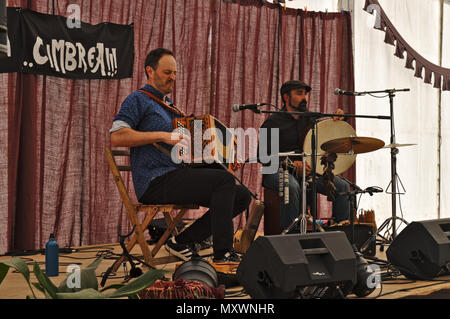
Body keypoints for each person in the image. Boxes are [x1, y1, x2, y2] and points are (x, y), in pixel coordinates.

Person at [110, 48, 251, 262]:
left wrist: (224, 162)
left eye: (175, 73)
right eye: (167, 72)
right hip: (154, 181)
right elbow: (117, 137)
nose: (173, 78)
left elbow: (187, 154)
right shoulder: (137, 99)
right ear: (150, 70)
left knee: (241, 194)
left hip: (176, 173)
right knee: (223, 182)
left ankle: (183, 240)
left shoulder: (171, 108)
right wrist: (164, 136)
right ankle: (223, 254)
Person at [259, 80, 351, 233]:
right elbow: (264, 156)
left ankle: (341, 236)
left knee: (342, 186)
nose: (305, 98)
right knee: (292, 185)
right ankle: (292, 236)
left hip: (307, 171)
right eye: (299, 93)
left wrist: (341, 117)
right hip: (276, 171)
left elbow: (330, 122)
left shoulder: (310, 118)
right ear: (286, 98)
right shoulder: (273, 122)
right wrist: (292, 165)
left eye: (305, 94)